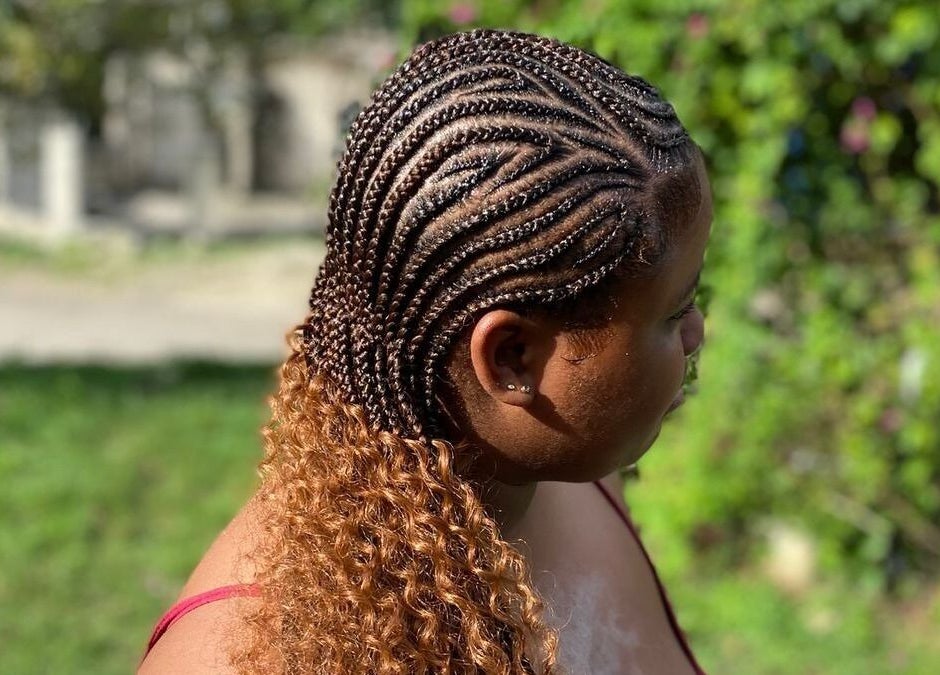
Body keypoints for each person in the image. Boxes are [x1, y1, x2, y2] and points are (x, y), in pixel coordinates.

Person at [139, 29, 712, 675]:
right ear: (513, 359)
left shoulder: (576, 482)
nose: (697, 333)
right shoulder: (245, 657)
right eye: (673, 312)